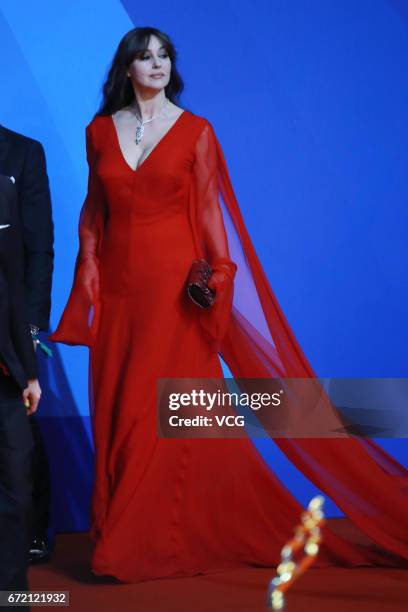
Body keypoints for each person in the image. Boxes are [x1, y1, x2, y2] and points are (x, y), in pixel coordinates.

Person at [50, 27, 408, 582]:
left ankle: (130, 548)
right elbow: (92, 216)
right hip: (121, 297)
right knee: (120, 415)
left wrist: (216, 278)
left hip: (174, 294)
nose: (157, 64)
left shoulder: (196, 131)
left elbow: (213, 220)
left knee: (157, 417)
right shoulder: (98, 132)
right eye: (145, 57)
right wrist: (88, 286)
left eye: (164, 56)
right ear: (126, 69)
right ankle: (150, 532)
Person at [0, 122, 54, 563]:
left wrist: (32, 334)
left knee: (19, 437)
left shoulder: (22, 152)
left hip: (13, 328)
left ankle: (32, 535)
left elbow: (38, 250)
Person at [0, 174, 41, 604]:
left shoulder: (4, 189)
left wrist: (29, 373)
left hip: (5, 373)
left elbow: (12, 285)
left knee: (15, 487)